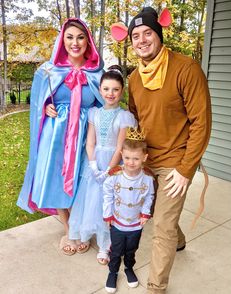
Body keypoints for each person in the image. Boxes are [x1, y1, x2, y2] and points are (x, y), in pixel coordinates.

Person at [110, 7, 212, 294]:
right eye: (135, 36)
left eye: (147, 33)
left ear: (159, 34)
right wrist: (132, 161)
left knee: (162, 227)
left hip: (176, 161)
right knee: (157, 212)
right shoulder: (133, 79)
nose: (141, 40)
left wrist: (185, 168)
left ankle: (156, 288)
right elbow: (136, 123)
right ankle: (179, 240)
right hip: (147, 161)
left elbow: (201, 123)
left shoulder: (186, 69)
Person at [17, 18, 104, 255]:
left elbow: (104, 103)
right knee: (56, 179)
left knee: (81, 182)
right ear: (62, 40)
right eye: (70, 37)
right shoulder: (48, 70)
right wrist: (44, 107)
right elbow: (36, 101)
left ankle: (79, 226)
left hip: (85, 136)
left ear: (88, 41)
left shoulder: (97, 72)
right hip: (55, 135)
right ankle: (69, 230)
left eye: (80, 37)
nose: (75, 43)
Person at [68, 65, 137, 261]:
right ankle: (89, 234)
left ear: (122, 91)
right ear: (100, 90)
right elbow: (90, 142)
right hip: (94, 162)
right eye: (106, 89)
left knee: (109, 203)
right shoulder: (94, 113)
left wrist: (108, 171)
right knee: (92, 200)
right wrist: (92, 165)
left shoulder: (124, 116)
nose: (111, 93)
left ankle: (106, 245)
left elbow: (120, 148)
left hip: (113, 165)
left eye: (115, 89)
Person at [103, 127, 155, 293]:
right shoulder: (115, 175)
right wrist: (108, 214)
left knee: (131, 249)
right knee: (116, 250)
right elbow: (107, 195)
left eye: (136, 159)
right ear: (121, 155)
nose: (131, 162)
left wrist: (145, 213)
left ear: (144, 158)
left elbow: (149, 196)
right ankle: (113, 272)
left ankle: (129, 268)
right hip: (118, 223)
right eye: (126, 158)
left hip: (135, 224)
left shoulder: (147, 178)